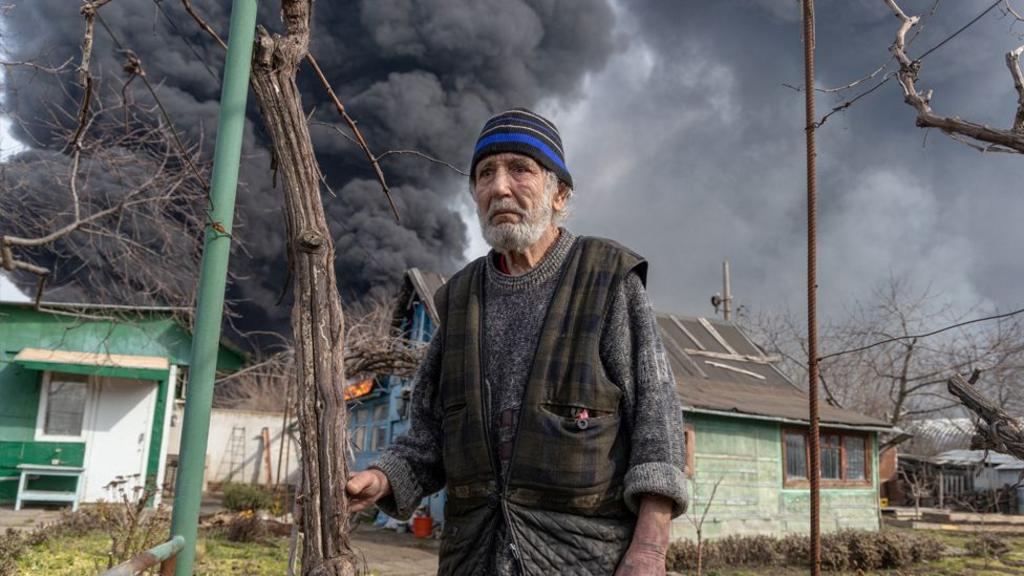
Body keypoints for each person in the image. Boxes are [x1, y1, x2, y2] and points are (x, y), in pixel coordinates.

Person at [346, 108, 687, 575]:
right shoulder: (459, 300)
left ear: (559, 194)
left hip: (585, 558)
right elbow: (428, 438)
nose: (499, 187)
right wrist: (381, 477)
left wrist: (649, 551)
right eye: (485, 174)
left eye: (520, 169)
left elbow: (657, 427)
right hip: (474, 558)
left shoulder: (607, 280)